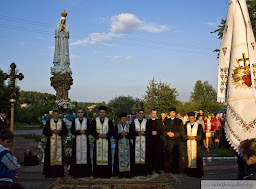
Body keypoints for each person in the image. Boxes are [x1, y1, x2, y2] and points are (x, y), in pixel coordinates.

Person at [43, 109, 68, 178]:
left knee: (59, 157)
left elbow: (65, 131)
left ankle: (59, 173)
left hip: (59, 143)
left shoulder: (62, 122)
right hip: (51, 143)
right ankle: (50, 173)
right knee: (50, 157)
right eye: (55, 114)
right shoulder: (49, 122)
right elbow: (44, 131)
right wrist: (51, 131)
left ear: (58, 115)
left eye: (57, 114)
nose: (56, 115)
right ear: (52, 115)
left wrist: (59, 132)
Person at [90, 106, 114, 178]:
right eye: (101, 112)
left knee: (107, 157)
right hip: (98, 141)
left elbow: (112, 131)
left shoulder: (109, 121)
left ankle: (107, 174)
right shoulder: (95, 121)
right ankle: (97, 174)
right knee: (97, 157)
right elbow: (92, 130)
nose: (102, 114)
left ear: (105, 113)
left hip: (106, 141)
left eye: (103, 112)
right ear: (98, 113)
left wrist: (107, 135)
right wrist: (98, 135)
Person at [69, 108, 92, 177]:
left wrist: (85, 132)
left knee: (85, 155)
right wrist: (79, 132)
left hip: (85, 141)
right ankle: (76, 173)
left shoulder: (86, 120)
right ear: (77, 113)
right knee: (76, 156)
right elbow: (72, 131)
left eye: (81, 112)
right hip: (77, 141)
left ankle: (86, 172)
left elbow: (90, 130)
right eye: (79, 112)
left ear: (83, 113)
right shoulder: (74, 121)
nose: (80, 113)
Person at [130, 109, 151, 176]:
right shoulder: (134, 122)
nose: (141, 114)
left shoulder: (146, 121)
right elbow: (131, 132)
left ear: (143, 114)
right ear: (137, 114)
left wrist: (144, 132)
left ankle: (144, 172)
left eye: (142, 113)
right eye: (140, 113)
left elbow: (149, 131)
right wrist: (137, 133)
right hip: (136, 143)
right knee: (135, 156)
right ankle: (136, 172)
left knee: (144, 157)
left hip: (144, 143)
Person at [183, 112, 204, 178]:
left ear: (195, 118)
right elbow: (183, 135)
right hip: (188, 144)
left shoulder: (199, 126)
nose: (191, 119)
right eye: (190, 118)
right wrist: (187, 137)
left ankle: (197, 173)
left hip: (196, 145)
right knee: (188, 158)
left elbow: (201, 135)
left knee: (197, 158)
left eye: (192, 118)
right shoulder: (186, 126)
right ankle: (189, 172)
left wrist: (195, 137)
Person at [163, 107, 183, 174]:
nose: (172, 114)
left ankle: (176, 170)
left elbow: (182, 131)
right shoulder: (166, 121)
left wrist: (174, 134)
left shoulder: (179, 121)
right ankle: (168, 169)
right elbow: (163, 130)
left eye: (173, 112)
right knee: (168, 155)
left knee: (176, 155)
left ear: (175, 113)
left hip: (176, 141)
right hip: (168, 140)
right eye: (171, 113)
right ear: (169, 113)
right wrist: (167, 133)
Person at [113, 113, 134, 178]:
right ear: (120, 120)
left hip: (128, 146)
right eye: (122, 119)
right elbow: (114, 136)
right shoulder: (117, 126)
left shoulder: (129, 126)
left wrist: (126, 134)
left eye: (125, 119)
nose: (124, 120)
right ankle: (120, 174)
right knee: (119, 159)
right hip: (119, 146)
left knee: (129, 158)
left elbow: (132, 135)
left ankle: (128, 173)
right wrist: (120, 135)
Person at [148, 109, 163, 174]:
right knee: (150, 155)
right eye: (153, 113)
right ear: (151, 113)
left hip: (157, 140)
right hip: (150, 140)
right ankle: (150, 169)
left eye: (155, 113)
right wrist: (151, 132)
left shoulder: (159, 121)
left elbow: (162, 130)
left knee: (157, 154)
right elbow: (147, 130)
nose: (154, 114)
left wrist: (157, 132)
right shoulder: (148, 121)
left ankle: (157, 168)